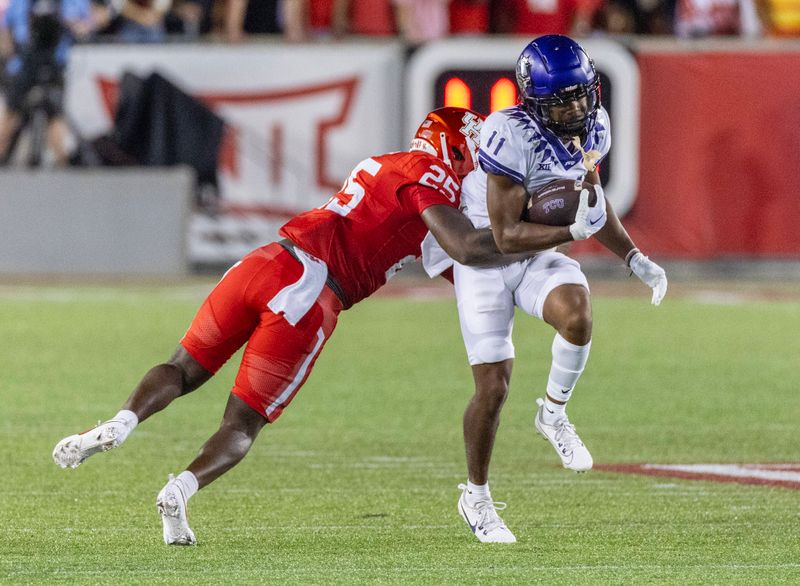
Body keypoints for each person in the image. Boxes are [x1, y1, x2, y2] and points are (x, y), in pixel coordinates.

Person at [52, 107, 601, 546]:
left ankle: (123, 421)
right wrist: (557, 232)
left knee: (183, 366)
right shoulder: (430, 176)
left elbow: (443, 255)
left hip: (266, 259)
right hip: (311, 294)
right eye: (471, 151)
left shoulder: (381, 165)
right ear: (455, 149)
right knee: (243, 423)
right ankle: (180, 488)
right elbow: (467, 246)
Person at [422, 35, 668, 543]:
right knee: (492, 388)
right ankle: (477, 496)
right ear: (533, 101)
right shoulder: (506, 131)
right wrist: (571, 232)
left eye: (582, 94)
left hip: (535, 254)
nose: (578, 108)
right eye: (564, 101)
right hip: (487, 259)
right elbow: (506, 233)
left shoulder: (595, 124)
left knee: (577, 313)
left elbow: (591, 200)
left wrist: (633, 256)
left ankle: (553, 414)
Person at [0, 0, 93, 166]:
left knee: (55, 113)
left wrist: (71, 23)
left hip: (54, 62)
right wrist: (9, 55)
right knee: (12, 110)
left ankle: (61, 159)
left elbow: (86, 26)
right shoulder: (21, 2)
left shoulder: (71, 2)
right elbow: (6, 26)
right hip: (25, 62)